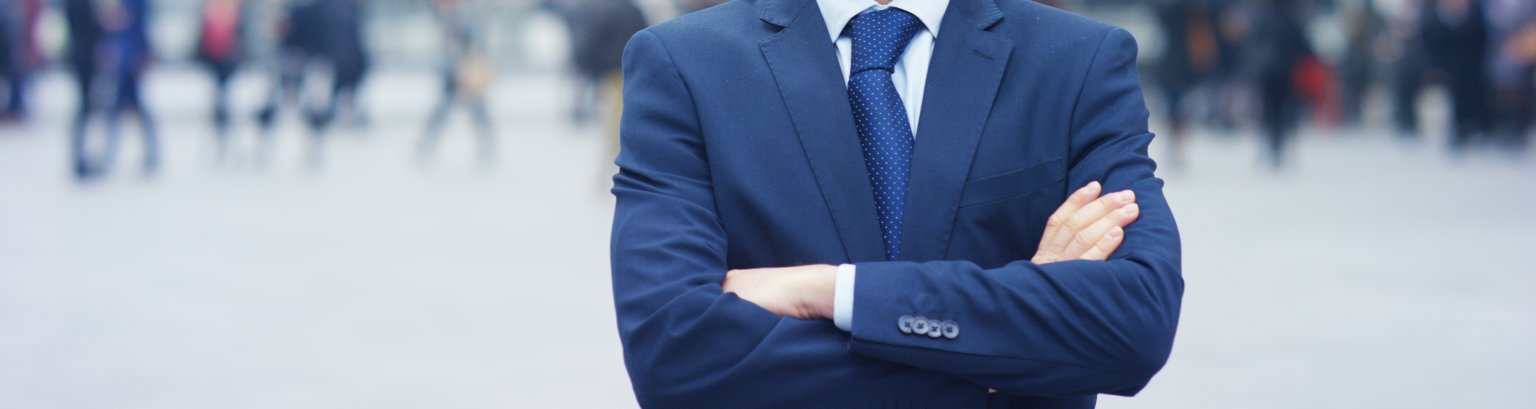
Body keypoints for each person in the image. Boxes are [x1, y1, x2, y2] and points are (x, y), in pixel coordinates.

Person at [610, 0, 1183, 407]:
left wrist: (828, 291)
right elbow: (673, 353)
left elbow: (1134, 323)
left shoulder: (1077, 61)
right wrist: (1003, 357)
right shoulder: (683, 65)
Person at [419, 0, 496, 164]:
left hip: (468, 68)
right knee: (444, 108)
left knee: (476, 108)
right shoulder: (443, 16)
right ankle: (427, 143)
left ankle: (486, 145)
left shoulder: (466, 15)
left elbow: (474, 42)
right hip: (452, 71)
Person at [97, 0, 159, 177]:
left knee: (123, 108)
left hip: (131, 59)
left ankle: (111, 154)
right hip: (126, 57)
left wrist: (143, 54)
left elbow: (138, 25)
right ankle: (112, 153)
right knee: (124, 108)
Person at [1421, 0, 1490, 149]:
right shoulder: (1432, 17)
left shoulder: (1476, 16)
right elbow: (1429, 47)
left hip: (1472, 69)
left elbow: (1481, 43)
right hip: (1442, 69)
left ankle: (1471, 127)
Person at [1486, 0, 1536, 149]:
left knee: (1521, 87)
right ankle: (1501, 126)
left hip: (1526, 46)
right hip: (1498, 48)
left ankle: (1519, 130)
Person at [195, 0, 247, 142]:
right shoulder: (212, 12)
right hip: (216, 60)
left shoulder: (233, 10)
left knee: (223, 100)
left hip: (227, 60)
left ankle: (225, 135)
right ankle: (220, 134)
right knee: (220, 100)